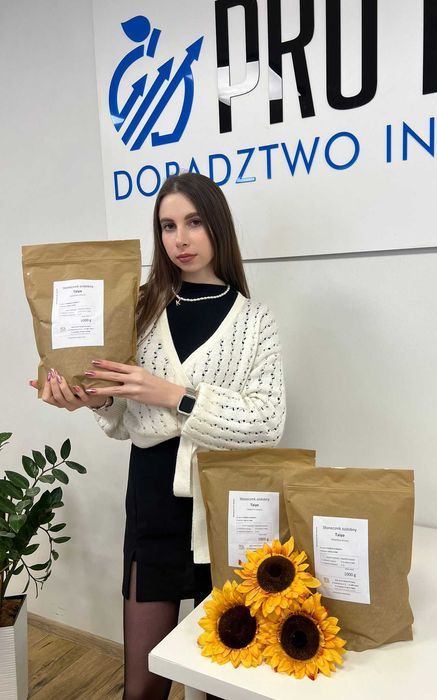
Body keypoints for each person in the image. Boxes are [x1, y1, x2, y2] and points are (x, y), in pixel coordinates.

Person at [30, 172, 286, 700]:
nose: (180, 239)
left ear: (218, 227)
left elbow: (267, 421)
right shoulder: (141, 308)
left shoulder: (255, 320)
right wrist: (93, 399)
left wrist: (174, 395)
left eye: (193, 223)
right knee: (143, 685)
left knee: (223, 679)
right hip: (152, 497)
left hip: (223, 505)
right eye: (168, 226)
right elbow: (124, 415)